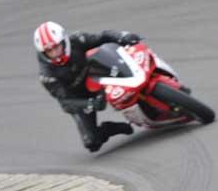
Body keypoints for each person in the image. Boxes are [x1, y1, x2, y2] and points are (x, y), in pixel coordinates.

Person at [34, 21, 141, 152]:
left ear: (64, 41)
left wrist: (122, 37)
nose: (55, 53)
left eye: (56, 47)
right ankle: (110, 128)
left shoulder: (77, 40)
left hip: (99, 75)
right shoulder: (47, 75)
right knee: (91, 142)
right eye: (49, 51)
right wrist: (91, 104)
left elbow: (103, 36)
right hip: (80, 97)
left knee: (118, 61)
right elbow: (66, 103)